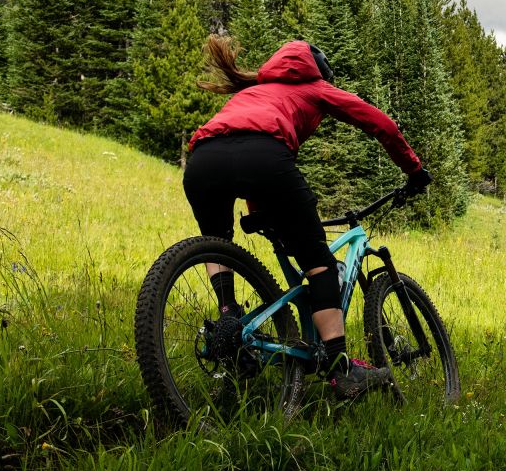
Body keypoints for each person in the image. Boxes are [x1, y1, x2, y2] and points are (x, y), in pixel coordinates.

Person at [184, 35, 431, 399]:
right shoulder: (315, 88)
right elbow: (380, 123)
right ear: (318, 73)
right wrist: (414, 170)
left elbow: (241, 149)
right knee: (318, 261)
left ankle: (230, 320)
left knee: (218, 246)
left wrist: (262, 216)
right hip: (265, 159)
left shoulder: (253, 92)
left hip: (202, 160)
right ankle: (340, 369)